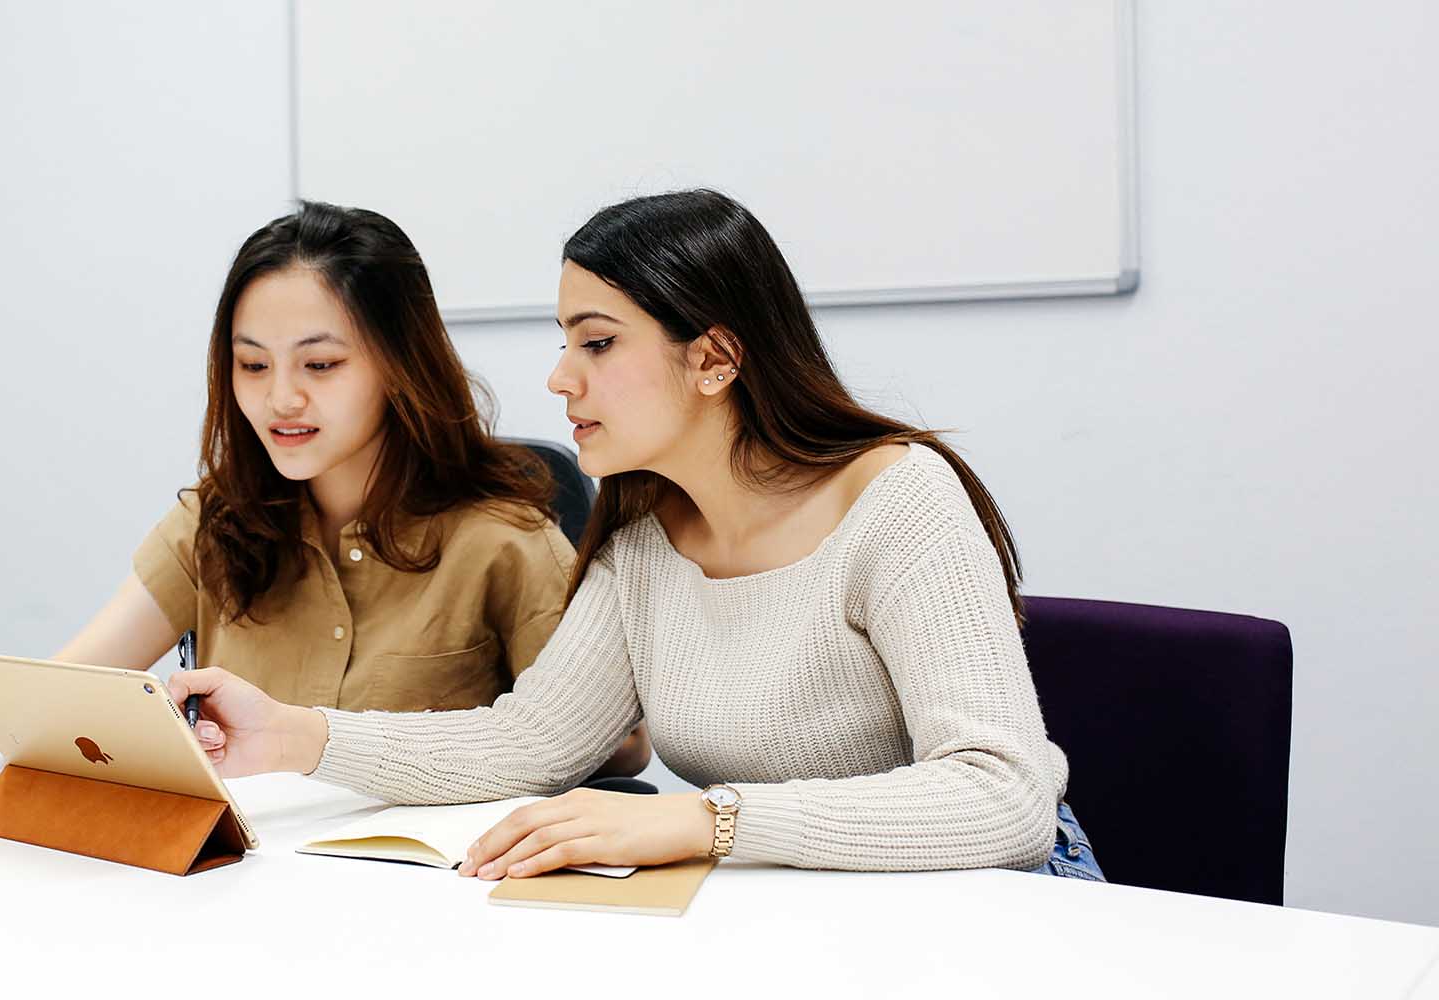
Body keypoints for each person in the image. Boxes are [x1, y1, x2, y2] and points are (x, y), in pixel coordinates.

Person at [166, 189, 1104, 882]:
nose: (560, 379)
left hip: (994, 908)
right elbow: (527, 744)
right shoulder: (646, 536)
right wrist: (292, 736)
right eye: (564, 341)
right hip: (803, 911)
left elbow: (1001, 798)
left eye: (598, 342)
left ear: (716, 358)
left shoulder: (900, 502)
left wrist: (711, 822)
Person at [0, 201, 652, 790]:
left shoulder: (501, 537)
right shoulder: (215, 523)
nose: (280, 399)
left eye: (321, 365)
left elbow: (604, 745)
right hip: (234, 895)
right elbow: (72, 685)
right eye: (253, 364)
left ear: (399, 366)